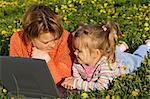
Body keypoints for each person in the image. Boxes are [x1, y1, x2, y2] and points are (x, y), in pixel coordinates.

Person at [61, 20, 150, 91]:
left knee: (139, 59)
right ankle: (119, 48)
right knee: (112, 52)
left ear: (96, 53)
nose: (74, 53)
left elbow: (102, 86)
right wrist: (73, 82)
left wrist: (77, 84)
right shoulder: (78, 62)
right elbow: (78, 79)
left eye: (79, 51)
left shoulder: (106, 66)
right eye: (74, 49)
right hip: (108, 55)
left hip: (125, 63)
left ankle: (145, 47)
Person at [9, 4, 74, 86]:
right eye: (46, 42)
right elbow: (15, 74)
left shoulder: (65, 38)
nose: (53, 45)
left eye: (55, 39)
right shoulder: (17, 39)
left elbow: (62, 80)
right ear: (30, 37)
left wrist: (46, 60)